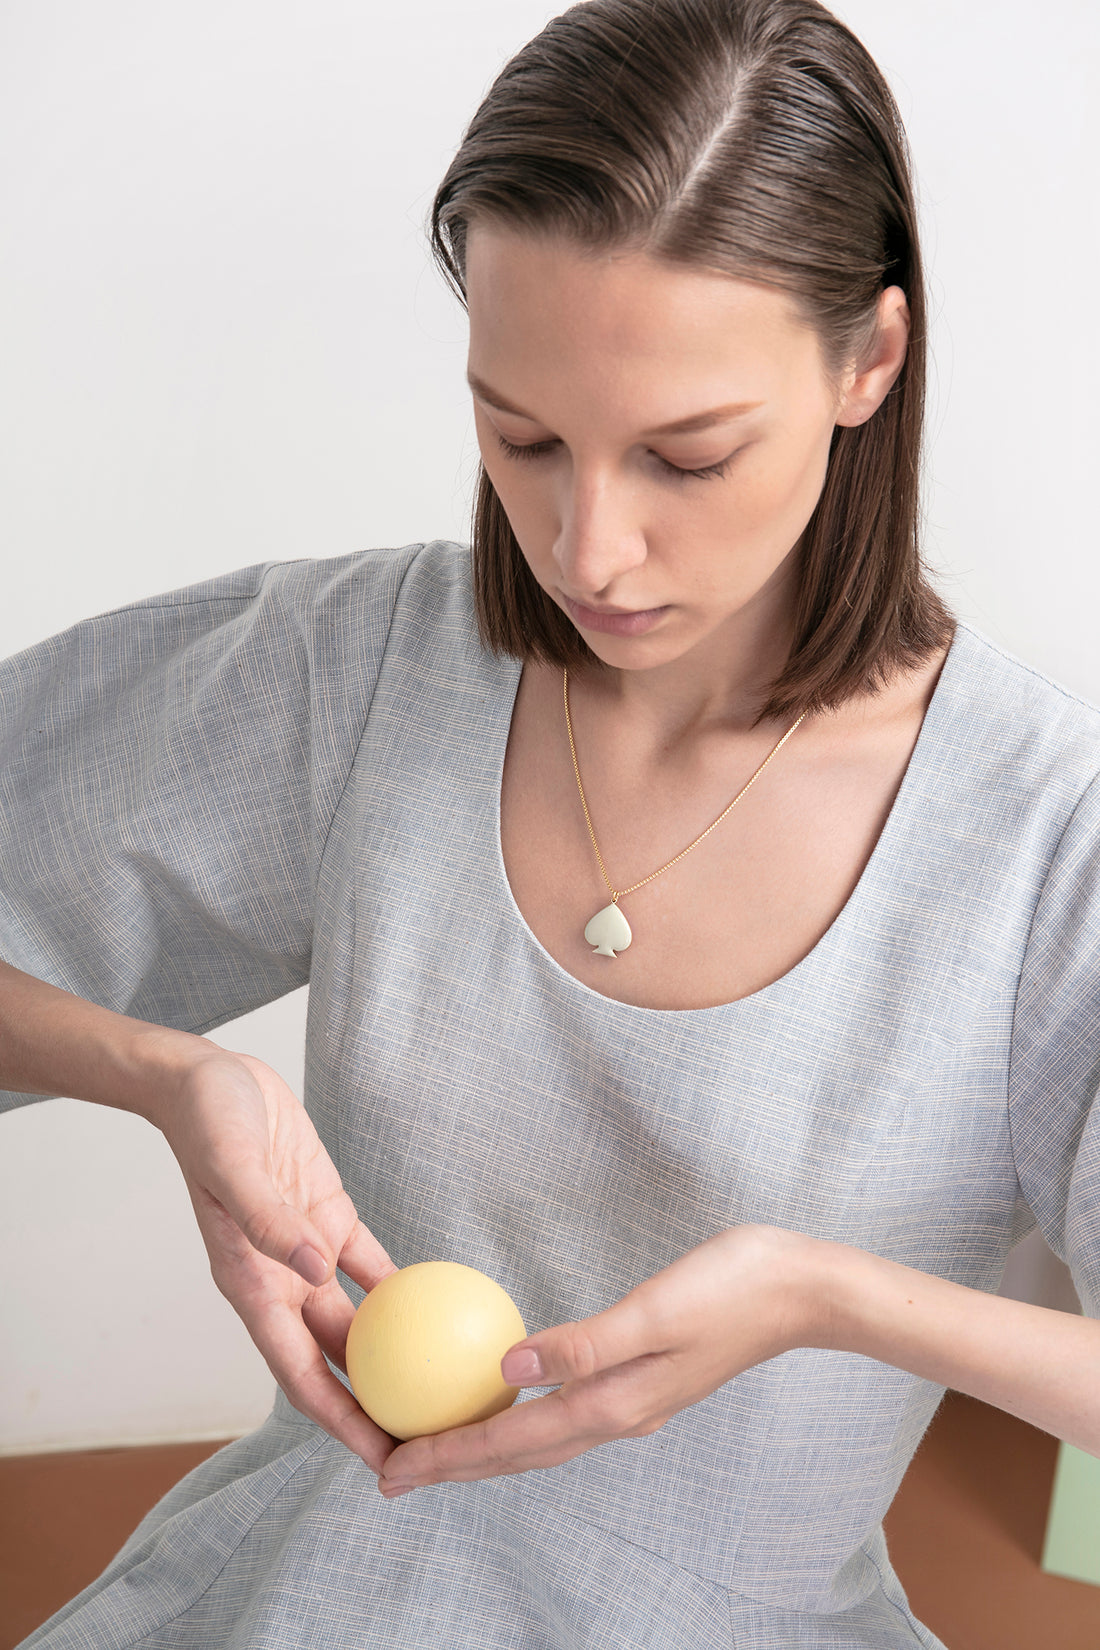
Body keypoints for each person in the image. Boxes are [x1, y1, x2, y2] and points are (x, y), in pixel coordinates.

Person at [3, 0, 1099, 1644]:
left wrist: (829, 1297)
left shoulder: (1043, 841)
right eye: (522, 436)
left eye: (685, 454)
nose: (590, 550)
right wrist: (168, 1074)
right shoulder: (364, 668)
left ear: (870, 360)